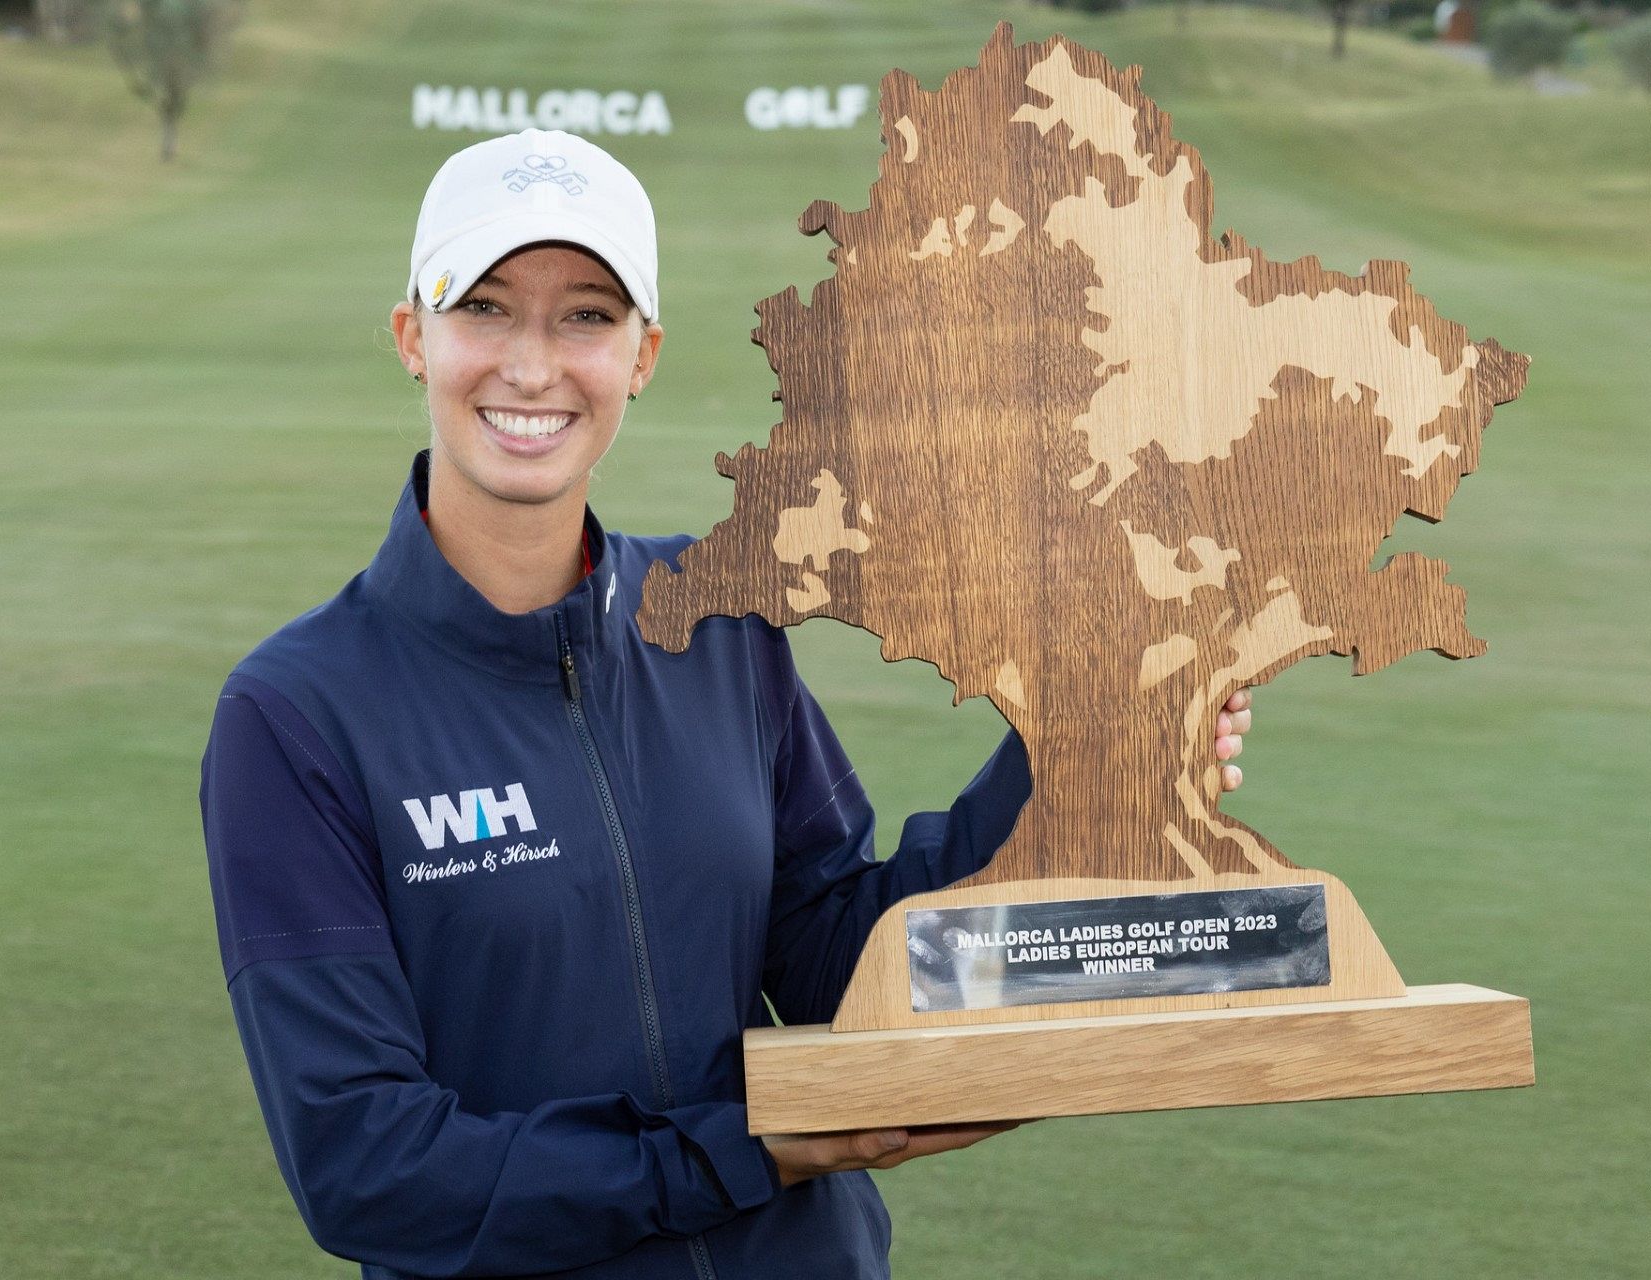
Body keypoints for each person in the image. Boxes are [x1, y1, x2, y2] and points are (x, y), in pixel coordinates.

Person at [200, 129, 1252, 1280]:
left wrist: (1073, 762)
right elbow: (369, 1165)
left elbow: (840, 958)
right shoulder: (297, 714)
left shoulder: (712, 618)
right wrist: (747, 1144)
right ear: (415, 335)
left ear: (644, 353)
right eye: (487, 307)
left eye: (588, 316)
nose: (534, 365)